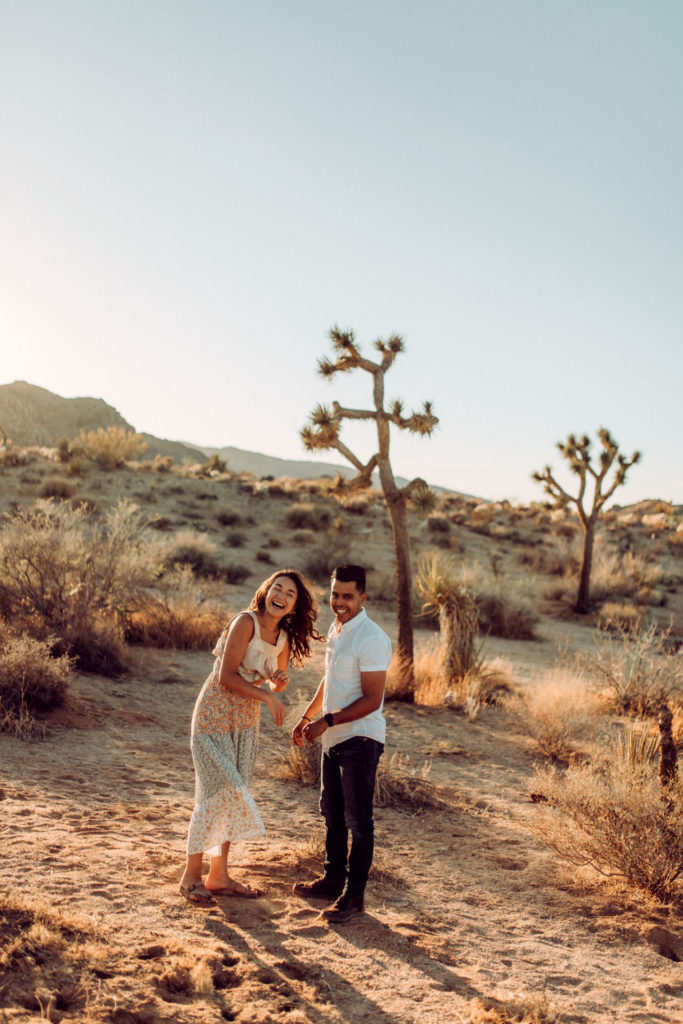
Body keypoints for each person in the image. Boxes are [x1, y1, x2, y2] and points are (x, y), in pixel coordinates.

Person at [180, 569, 321, 906]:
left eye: (290, 594)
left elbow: (273, 679)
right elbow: (227, 676)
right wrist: (270, 698)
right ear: (266, 590)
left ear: (293, 606)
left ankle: (218, 875)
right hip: (214, 713)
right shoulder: (246, 622)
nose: (282, 596)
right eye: (278, 588)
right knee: (214, 792)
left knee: (232, 794)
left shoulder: (284, 638)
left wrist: (278, 683)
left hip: (245, 721)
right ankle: (190, 877)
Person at [291, 564, 391, 923]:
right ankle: (333, 879)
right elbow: (329, 679)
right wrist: (307, 717)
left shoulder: (372, 638)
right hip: (333, 737)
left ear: (362, 597)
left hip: (360, 739)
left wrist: (326, 721)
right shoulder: (337, 629)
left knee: (358, 820)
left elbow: (371, 700)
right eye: (335, 594)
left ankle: (354, 897)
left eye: (348, 596)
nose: (339, 602)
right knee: (332, 813)